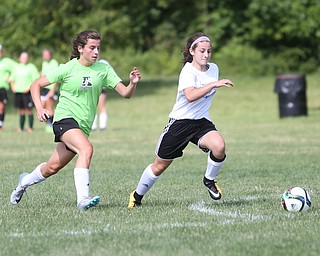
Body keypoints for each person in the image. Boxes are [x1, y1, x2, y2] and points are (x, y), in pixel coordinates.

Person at [10, 30, 141, 210]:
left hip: (82, 127)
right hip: (64, 119)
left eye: (98, 48)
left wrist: (132, 83)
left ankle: (23, 183)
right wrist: (40, 108)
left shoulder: (103, 70)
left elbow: (125, 93)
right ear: (80, 48)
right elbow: (36, 85)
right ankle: (82, 200)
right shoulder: (68, 68)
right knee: (86, 149)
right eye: (92, 48)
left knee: (51, 168)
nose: (96, 52)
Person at [128, 32, 234, 208]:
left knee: (219, 146)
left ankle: (209, 180)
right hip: (180, 123)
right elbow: (190, 96)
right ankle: (136, 196)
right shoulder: (188, 71)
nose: (206, 55)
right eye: (201, 51)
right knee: (159, 166)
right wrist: (213, 84)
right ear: (192, 51)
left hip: (201, 121)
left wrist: (213, 83)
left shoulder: (213, 69)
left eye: (209, 51)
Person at [10, 52, 39, 133]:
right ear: (20, 59)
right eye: (23, 58)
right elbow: (12, 79)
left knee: (29, 110)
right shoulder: (16, 67)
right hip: (18, 92)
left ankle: (30, 127)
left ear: (28, 59)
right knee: (21, 110)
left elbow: (36, 79)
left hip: (27, 92)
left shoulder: (31, 67)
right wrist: (13, 87)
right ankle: (21, 128)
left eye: (26, 58)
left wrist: (29, 88)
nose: (24, 59)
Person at [40, 48, 59, 131]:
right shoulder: (44, 63)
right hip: (44, 89)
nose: (45, 56)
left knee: (49, 107)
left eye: (47, 55)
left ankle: (52, 125)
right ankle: (49, 123)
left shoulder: (54, 63)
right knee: (42, 106)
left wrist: (52, 90)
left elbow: (57, 77)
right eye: (44, 55)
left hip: (51, 88)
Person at [0, 44, 17, 131]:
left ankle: (0, 125)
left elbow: (17, 68)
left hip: (3, 88)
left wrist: (11, 78)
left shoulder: (7, 61)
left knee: (1, 107)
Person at [92, 59, 109, 131]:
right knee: (92, 106)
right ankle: (93, 125)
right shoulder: (88, 63)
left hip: (101, 87)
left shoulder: (103, 63)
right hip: (92, 88)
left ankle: (103, 125)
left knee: (101, 105)